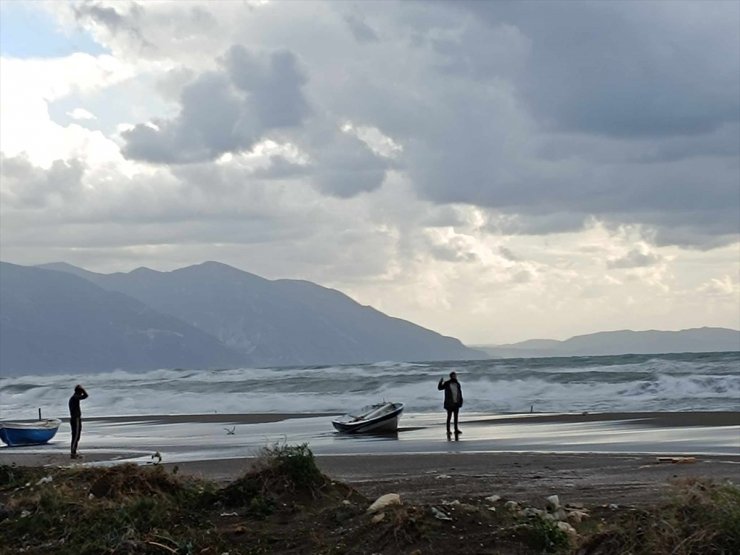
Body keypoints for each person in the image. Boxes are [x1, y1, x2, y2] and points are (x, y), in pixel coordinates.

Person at [438, 371, 463, 436]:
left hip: (456, 403)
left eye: (455, 375)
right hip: (449, 403)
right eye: (454, 376)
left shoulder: (457, 383)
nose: (455, 376)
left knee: (456, 417)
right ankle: (448, 430)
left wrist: (461, 400)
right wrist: (440, 382)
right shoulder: (447, 383)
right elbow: (440, 388)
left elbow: (459, 393)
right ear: (451, 376)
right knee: (449, 417)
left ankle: (456, 429)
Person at [68, 384, 88, 459]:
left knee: (76, 436)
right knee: (75, 436)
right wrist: (83, 390)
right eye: (80, 392)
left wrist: (81, 390)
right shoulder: (75, 397)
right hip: (75, 419)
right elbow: (86, 396)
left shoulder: (73, 398)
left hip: (75, 419)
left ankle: (73, 452)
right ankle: (73, 453)